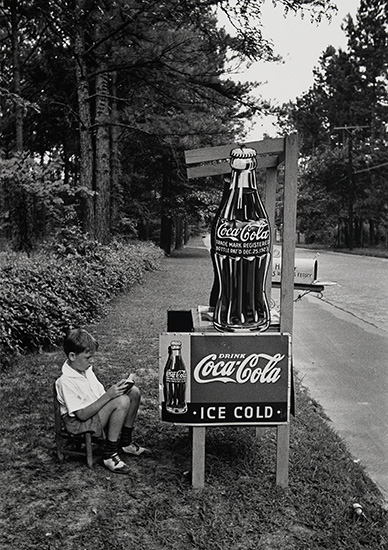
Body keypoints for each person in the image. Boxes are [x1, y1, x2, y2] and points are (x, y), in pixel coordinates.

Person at [55, 328, 147, 474]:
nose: (91, 361)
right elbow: (82, 415)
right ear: (72, 356)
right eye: (87, 357)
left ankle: (125, 442)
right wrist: (110, 396)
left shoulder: (86, 370)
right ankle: (109, 455)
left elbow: (99, 397)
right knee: (122, 401)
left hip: (94, 413)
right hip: (81, 423)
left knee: (133, 392)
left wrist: (118, 389)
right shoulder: (65, 381)